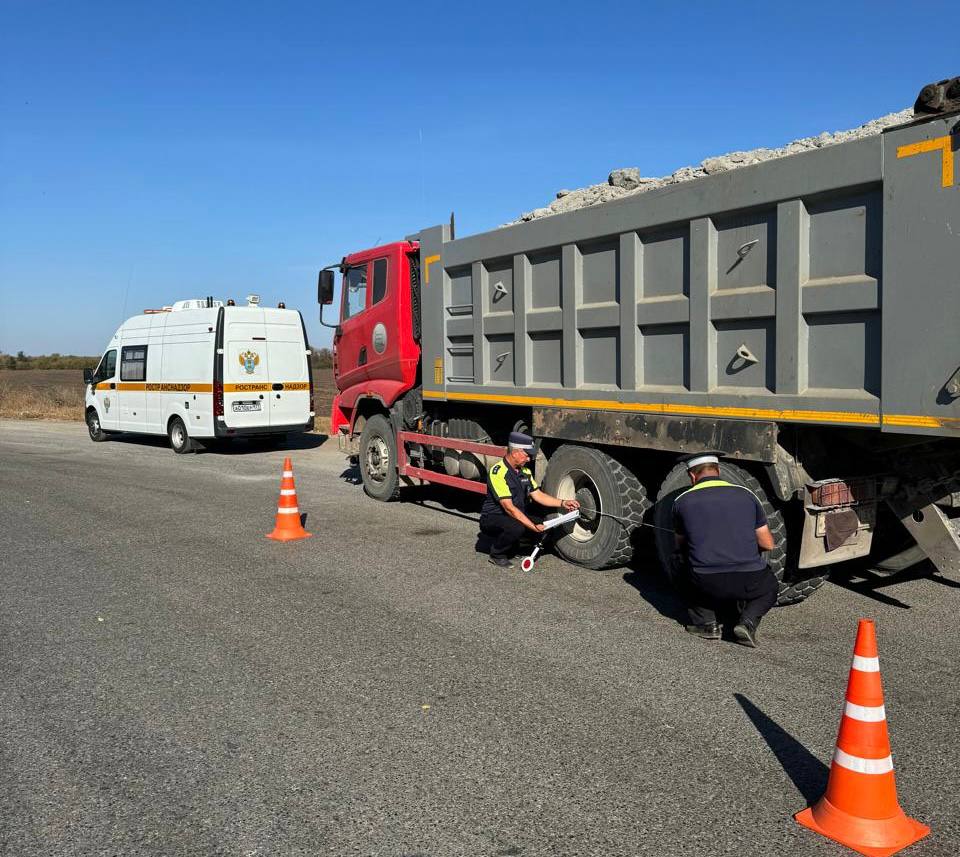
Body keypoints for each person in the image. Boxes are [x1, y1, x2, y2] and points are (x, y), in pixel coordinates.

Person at [672, 453, 778, 647]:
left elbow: (679, 545)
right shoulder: (747, 495)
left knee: (678, 564)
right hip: (749, 579)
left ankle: (706, 624)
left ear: (692, 476)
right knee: (769, 587)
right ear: (718, 471)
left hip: (705, 581)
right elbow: (768, 544)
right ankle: (747, 621)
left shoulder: (682, 501)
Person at [480, 431, 580, 568]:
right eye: (527, 455)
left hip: (514, 514)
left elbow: (538, 495)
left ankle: (514, 547)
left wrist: (563, 503)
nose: (529, 459)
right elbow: (508, 507)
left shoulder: (525, 472)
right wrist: (532, 527)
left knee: (545, 524)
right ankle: (497, 554)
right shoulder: (498, 472)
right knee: (517, 527)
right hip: (493, 516)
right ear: (515, 452)